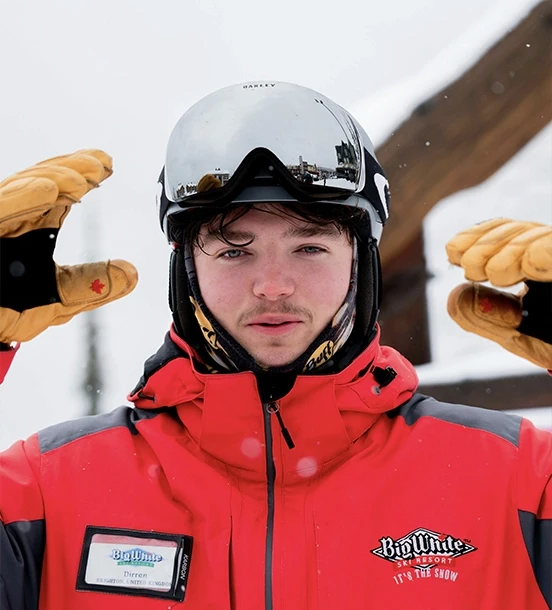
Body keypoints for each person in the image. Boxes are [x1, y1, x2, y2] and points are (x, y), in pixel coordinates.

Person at [0, 81, 550, 610]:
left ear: (361, 262)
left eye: (309, 247)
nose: (272, 286)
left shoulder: (518, 480)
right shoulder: (48, 490)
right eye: (235, 252)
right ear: (186, 268)